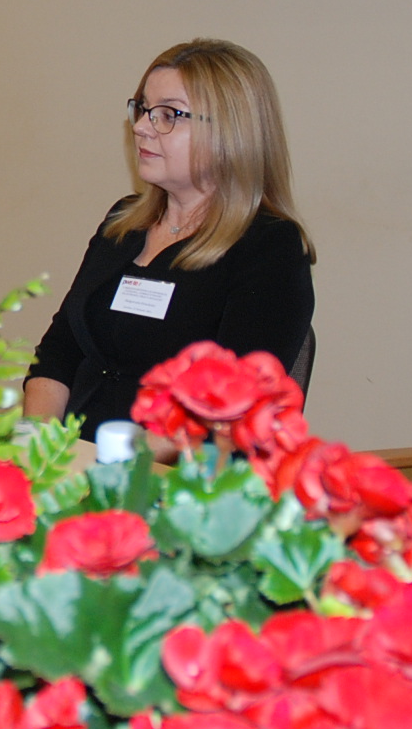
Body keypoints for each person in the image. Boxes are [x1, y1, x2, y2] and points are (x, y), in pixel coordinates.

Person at [24, 38, 315, 440]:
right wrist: (38, 445)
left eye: (168, 114)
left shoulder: (269, 247)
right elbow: (59, 353)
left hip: (171, 468)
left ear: (230, 131)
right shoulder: (123, 223)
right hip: (74, 453)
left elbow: (229, 408)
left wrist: (115, 463)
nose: (141, 127)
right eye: (143, 109)